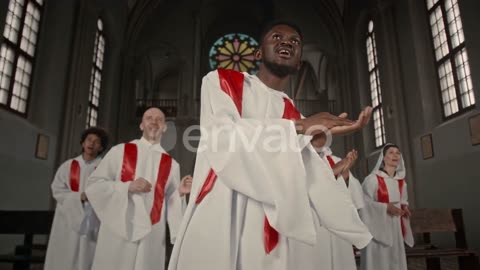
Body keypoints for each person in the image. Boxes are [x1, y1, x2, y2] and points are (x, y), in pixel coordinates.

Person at [168, 21, 373, 270]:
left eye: (295, 41)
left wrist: (314, 147)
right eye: (277, 37)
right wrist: (299, 128)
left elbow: (306, 177)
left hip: (271, 222)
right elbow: (224, 139)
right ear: (258, 53)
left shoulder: (292, 111)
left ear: (299, 62)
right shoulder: (221, 81)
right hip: (223, 209)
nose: (286, 42)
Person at [85, 107, 192, 270]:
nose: (154, 122)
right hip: (120, 228)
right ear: (141, 125)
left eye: (159, 119)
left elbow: (169, 201)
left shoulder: (172, 164)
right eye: (149, 118)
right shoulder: (120, 151)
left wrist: (179, 193)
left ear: (164, 127)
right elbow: (95, 184)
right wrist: (127, 186)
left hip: (152, 233)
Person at [44, 127, 109, 270]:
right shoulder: (68, 166)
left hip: (93, 217)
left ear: (101, 147)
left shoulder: (105, 167)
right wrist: (78, 196)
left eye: (97, 142)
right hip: (67, 217)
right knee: (66, 253)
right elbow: (57, 189)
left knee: (88, 253)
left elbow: (110, 191)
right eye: (89, 140)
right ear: (83, 143)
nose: (92, 144)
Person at [360, 143, 414, 270]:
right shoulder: (372, 180)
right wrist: (385, 208)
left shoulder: (401, 182)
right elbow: (363, 204)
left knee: (394, 261)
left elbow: (403, 201)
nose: (395, 155)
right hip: (377, 229)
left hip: (395, 228)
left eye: (398, 152)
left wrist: (405, 209)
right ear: (383, 158)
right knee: (378, 261)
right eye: (391, 152)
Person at [320, 146, 365, 270]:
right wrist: (333, 172)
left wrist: (345, 174)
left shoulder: (335, 159)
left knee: (340, 259)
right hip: (317, 220)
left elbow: (351, 189)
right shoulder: (301, 156)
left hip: (338, 219)